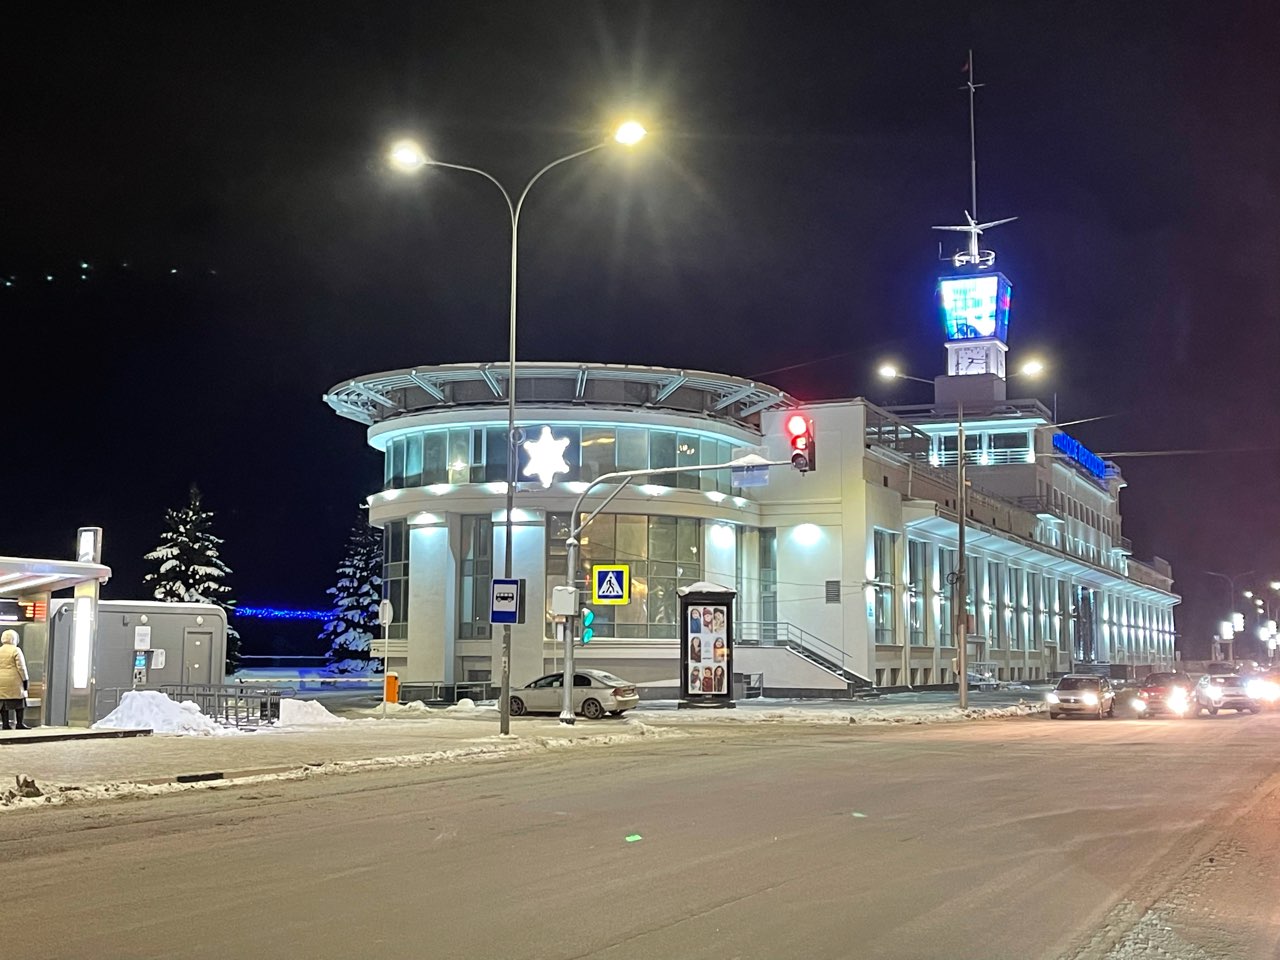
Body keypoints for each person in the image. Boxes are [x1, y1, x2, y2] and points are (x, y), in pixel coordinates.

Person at [0, 630, 30, 730]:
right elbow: (21, 667)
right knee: (19, 702)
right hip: (14, 680)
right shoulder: (16, 650)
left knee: (3, 703)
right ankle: (19, 723)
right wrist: (25, 680)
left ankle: (5, 724)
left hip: (1, 680)